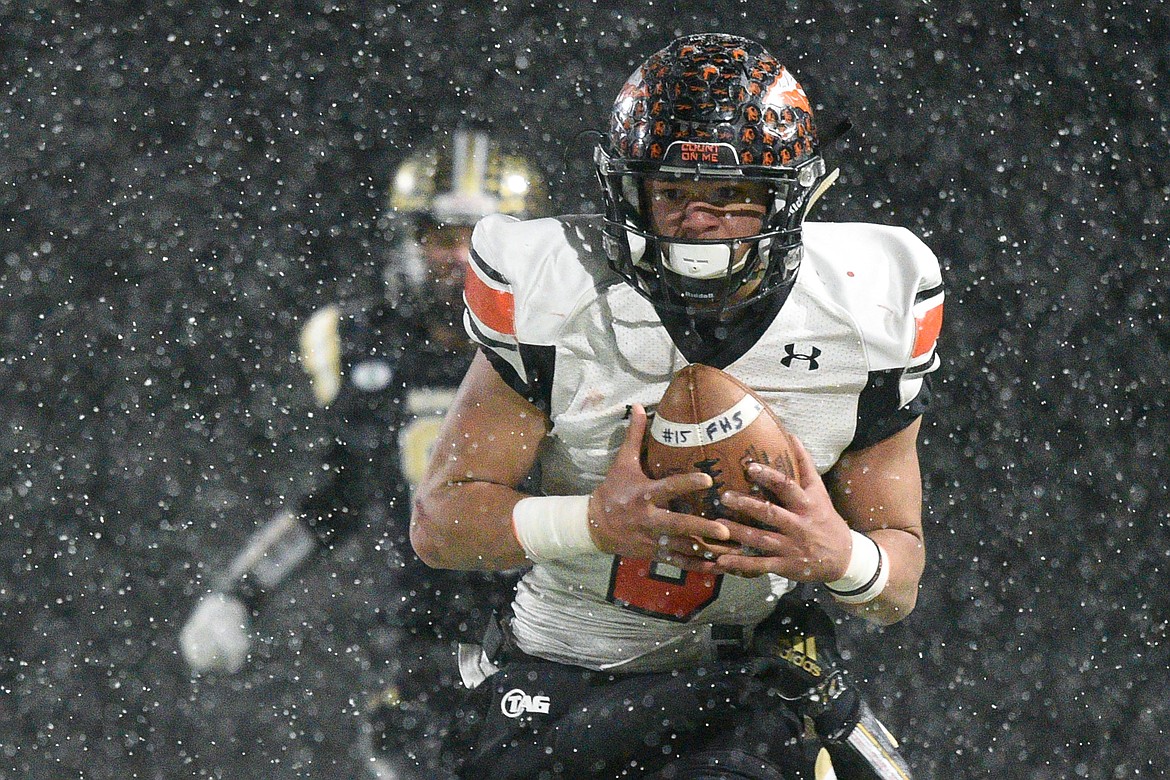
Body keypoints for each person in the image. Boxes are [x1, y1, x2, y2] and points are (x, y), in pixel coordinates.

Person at [411, 34, 943, 780]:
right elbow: (440, 525)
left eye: (728, 193)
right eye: (671, 192)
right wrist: (594, 523)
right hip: (565, 673)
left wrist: (839, 554)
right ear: (628, 191)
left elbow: (899, 585)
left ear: (788, 194)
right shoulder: (556, 288)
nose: (698, 220)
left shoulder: (864, 303)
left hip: (751, 687)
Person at [179, 128, 549, 778]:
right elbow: (335, 500)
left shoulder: (570, 345)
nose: (460, 257)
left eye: (483, 238)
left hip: (562, 632)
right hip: (426, 643)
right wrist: (240, 592)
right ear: (407, 242)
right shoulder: (359, 344)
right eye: (441, 236)